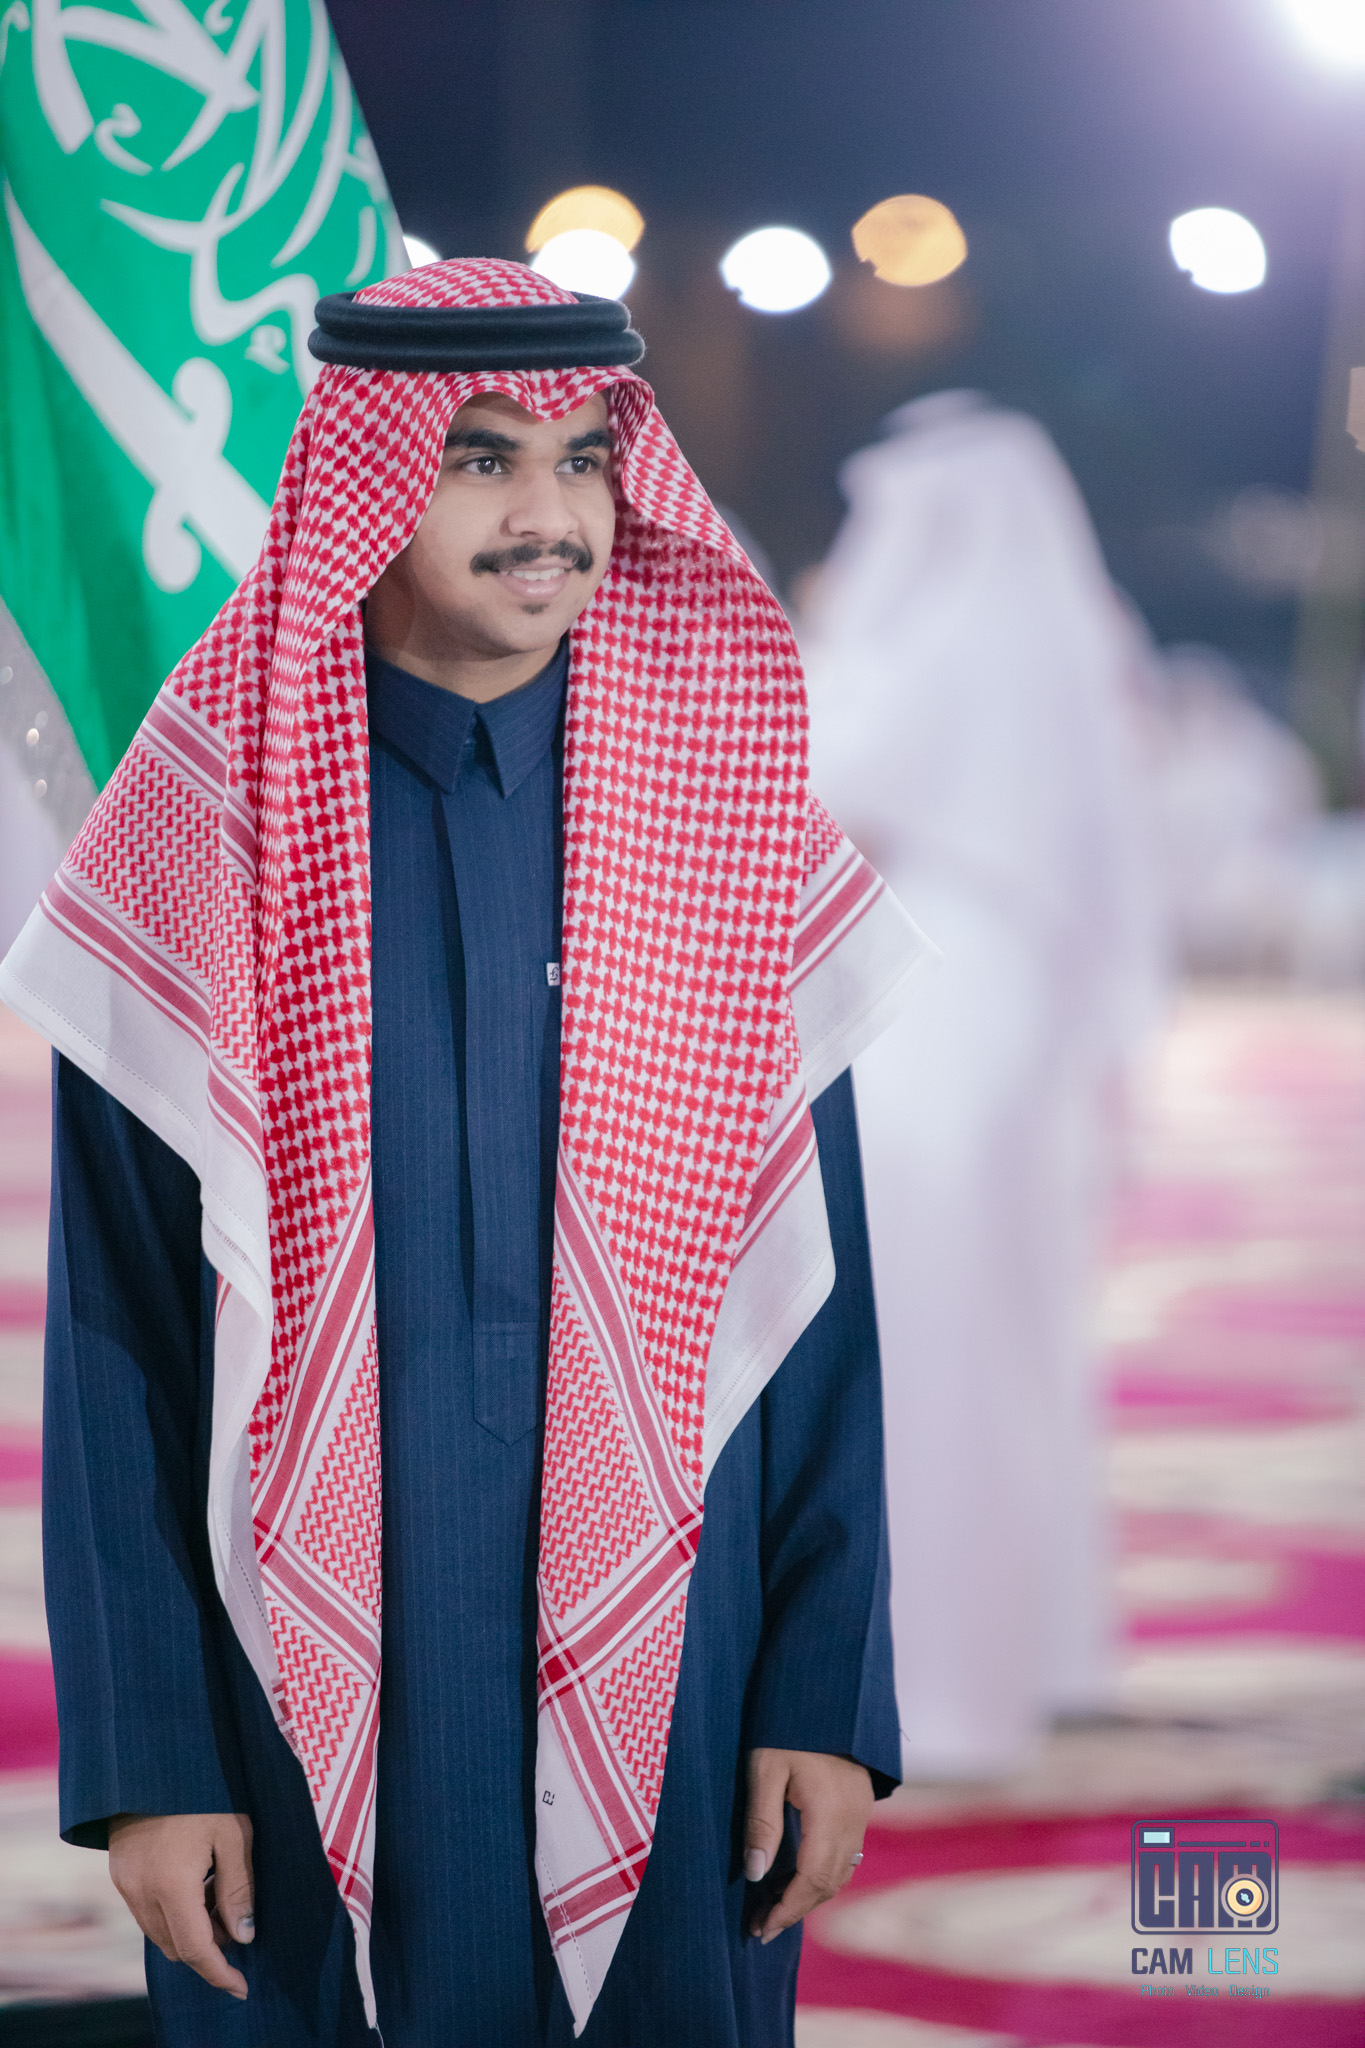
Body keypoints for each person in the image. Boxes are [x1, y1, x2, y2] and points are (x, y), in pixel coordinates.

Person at [2, 261, 932, 2047]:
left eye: (584, 461)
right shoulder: (202, 835)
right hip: (288, 1673)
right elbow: (114, 1332)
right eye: (482, 458)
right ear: (362, 486)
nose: (547, 516)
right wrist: (151, 1759)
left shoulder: (720, 826)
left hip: (686, 1650)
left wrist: (821, 1692)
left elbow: (820, 1307)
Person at [802, 392, 1159, 1780]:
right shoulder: (1066, 639)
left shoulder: (926, 642)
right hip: (1008, 1009)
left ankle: (934, 1682)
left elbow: (822, 779)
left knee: (923, 1344)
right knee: (1009, 1335)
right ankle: (1033, 1647)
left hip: (925, 1010)